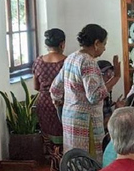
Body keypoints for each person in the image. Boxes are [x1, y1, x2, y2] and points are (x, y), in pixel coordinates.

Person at [51, 24, 120, 159]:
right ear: (96, 43)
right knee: (89, 161)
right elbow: (94, 96)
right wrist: (116, 77)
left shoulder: (71, 57)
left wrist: (61, 106)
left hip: (70, 117)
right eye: (104, 44)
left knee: (74, 158)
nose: (104, 48)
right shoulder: (88, 62)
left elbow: (55, 88)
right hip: (86, 122)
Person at [33, 28, 66, 171]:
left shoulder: (39, 61)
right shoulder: (67, 62)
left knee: (51, 143)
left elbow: (36, 87)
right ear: (62, 44)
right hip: (61, 105)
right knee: (62, 142)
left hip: (43, 103)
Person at [98, 59, 122, 130]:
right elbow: (105, 123)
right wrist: (117, 110)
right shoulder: (99, 92)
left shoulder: (107, 92)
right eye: (106, 73)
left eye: (111, 72)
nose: (109, 76)